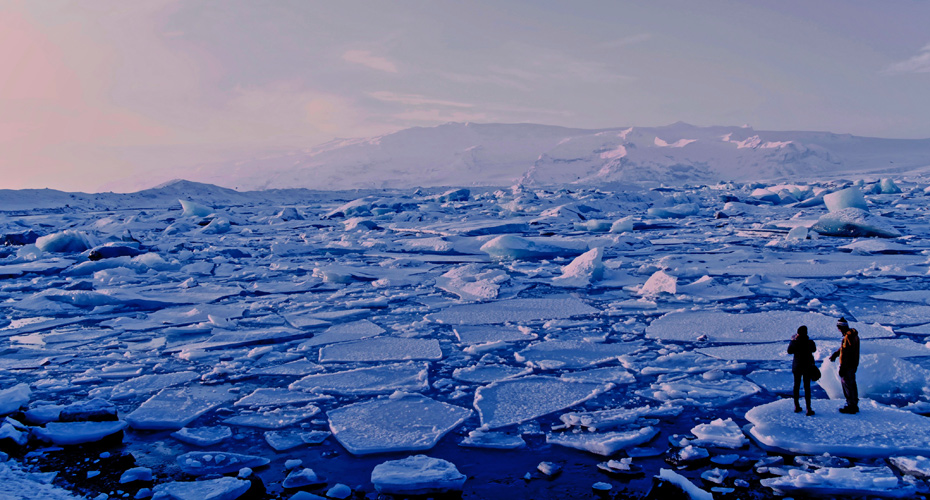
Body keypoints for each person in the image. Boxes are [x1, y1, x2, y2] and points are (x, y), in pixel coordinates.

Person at [829, 317, 860, 414]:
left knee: (847, 384)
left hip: (848, 366)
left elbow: (847, 352)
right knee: (851, 384)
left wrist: (842, 367)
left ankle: (851, 406)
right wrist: (836, 353)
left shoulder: (848, 337)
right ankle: (853, 404)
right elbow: (844, 348)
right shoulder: (852, 336)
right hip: (852, 364)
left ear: (840, 327)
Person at [787, 325, 816, 416]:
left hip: (797, 367)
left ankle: (797, 406)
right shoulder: (810, 342)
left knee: (796, 386)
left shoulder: (795, 342)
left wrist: (792, 341)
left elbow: (789, 351)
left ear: (798, 333)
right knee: (807, 387)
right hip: (807, 367)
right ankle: (808, 408)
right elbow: (814, 349)